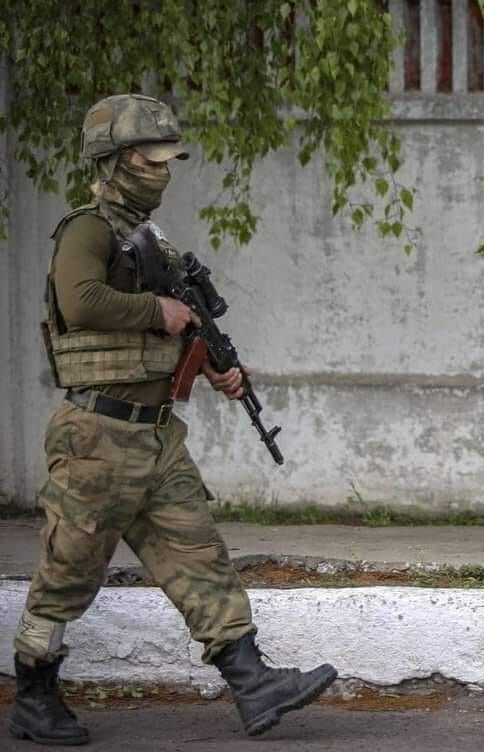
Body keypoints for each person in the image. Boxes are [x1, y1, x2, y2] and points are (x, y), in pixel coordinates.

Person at [7, 94, 337, 746]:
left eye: (165, 159)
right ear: (112, 159)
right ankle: (34, 695)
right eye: (147, 157)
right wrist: (159, 313)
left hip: (156, 436)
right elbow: (79, 303)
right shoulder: (88, 229)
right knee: (66, 574)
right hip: (97, 437)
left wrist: (211, 365)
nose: (160, 170)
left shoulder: (154, 239)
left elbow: (177, 323)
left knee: (200, 559)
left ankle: (254, 683)